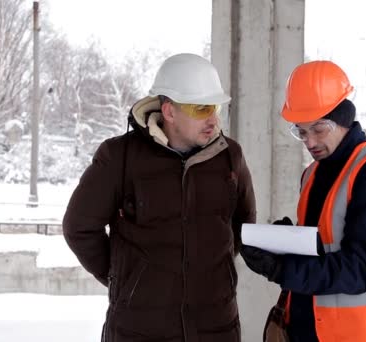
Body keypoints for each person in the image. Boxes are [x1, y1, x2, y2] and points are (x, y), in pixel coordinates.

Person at [63, 53, 257, 342]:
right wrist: (125, 280)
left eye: (214, 107)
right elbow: (79, 227)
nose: (213, 119)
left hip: (216, 328)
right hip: (138, 330)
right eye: (201, 108)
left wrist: (210, 272)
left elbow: (242, 225)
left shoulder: (230, 156)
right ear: (169, 111)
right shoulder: (119, 157)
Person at [240, 60, 366, 342]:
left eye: (319, 129)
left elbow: (362, 267)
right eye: (302, 132)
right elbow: (326, 245)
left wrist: (282, 269)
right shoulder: (313, 173)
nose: (310, 141)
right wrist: (285, 241)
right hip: (307, 328)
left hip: (357, 333)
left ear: (343, 119)